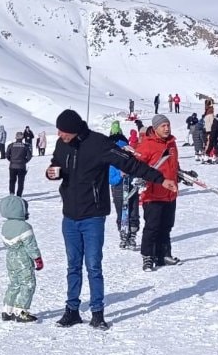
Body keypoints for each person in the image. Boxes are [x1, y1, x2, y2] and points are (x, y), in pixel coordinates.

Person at [46, 109, 176, 330]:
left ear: (74, 130)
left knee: (93, 266)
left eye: (63, 131)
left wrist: (160, 179)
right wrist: (51, 172)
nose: (60, 135)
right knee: (73, 265)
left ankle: (97, 313)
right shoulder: (62, 144)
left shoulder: (99, 143)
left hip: (93, 216)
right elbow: (56, 163)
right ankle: (72, 310)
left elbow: (131, 164)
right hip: (69, 215)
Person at [134, 115, 182, 271]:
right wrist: (139, 178)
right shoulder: (147, 145)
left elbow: (174, 165)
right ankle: (148, 256)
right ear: (155, 129)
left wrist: (182, 175)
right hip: (153, 194)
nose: (167, 128)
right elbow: (136, 167)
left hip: (170, 193)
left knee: (167, 225)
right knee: (152, 227)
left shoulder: (172, 144)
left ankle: (163, 254)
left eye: (168, 125)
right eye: (163, 126)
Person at [0, 195, 42, 322]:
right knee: (28, 284)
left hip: (10, 258)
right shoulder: (24, 227)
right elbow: (31, 245)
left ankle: (7, 309)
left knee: (14, 284)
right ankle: (21, 311)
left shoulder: (5, 226)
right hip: (23, 259)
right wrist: (37, 259)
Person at [108, 122, 140, 250]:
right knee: (132, 210)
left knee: (122, 211)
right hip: (127, 184)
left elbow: (110, 176)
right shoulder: (129, 150)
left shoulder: (110, 152)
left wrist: (117, 177)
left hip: (120, 186)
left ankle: (125, 236)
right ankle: (131, 236)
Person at [6, 132, 32, 197]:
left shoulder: (11, 145)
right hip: (21, 166)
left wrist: (11, 160)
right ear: (22, 138)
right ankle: (19, 195)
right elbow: (29, 156)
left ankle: (11, 193)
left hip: (12, 166)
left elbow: (7, 155)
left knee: (12, 180)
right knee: (20, 182)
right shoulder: (25, 146)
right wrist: (25, 161)